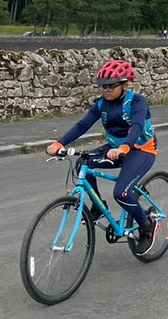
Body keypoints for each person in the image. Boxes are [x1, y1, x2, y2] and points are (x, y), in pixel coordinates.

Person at [46, 59, 161, 255]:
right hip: (115, 148)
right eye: (102, 86)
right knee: (83, 163)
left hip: (142, 149)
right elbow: (83, 125)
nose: (105, 90)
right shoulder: (101, 104)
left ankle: (147, 225)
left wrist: (125, 146)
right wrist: (60, 143)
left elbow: (137, 127)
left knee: (121, 193)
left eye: (111, 85)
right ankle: (98, 206)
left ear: (125, 84)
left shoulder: (137, 102)